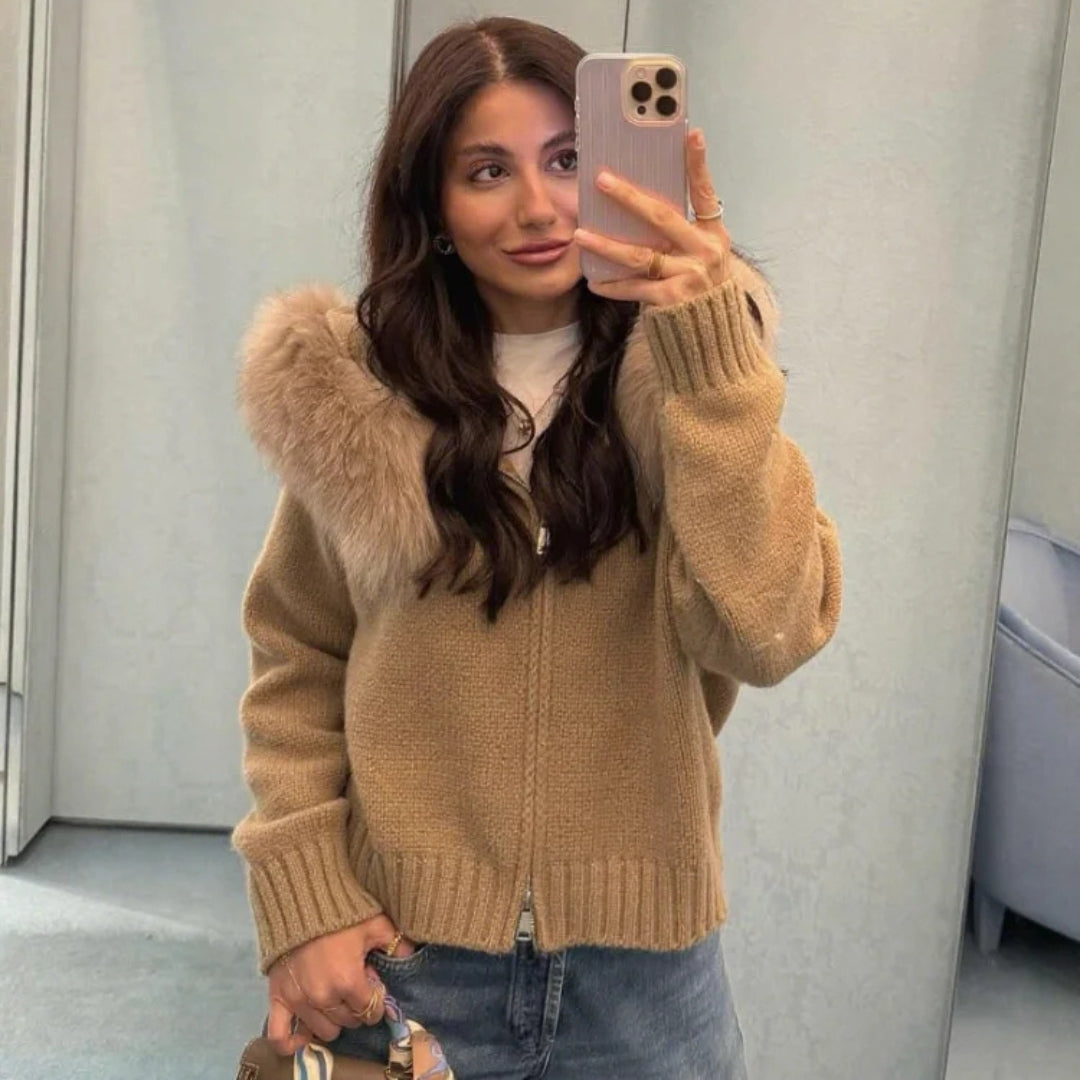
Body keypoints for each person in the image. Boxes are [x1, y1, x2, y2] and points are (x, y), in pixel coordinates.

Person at [232, 15, 841, 1080]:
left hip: (645, 982)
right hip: (406, 960)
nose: (538, 206)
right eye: (487, 171)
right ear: (432, 208)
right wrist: (305, 898)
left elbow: (770, 630)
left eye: (568, 160)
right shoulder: (355, 397)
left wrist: (712, 364)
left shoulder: (688, 385)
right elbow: (298, 657)